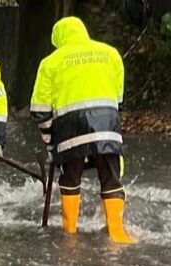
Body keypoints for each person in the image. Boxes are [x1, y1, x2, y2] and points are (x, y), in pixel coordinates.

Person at [29, 17, 134, 244]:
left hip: (70, 128)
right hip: (108, 124)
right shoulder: (111, 53)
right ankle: (117, 234)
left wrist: (51, 143)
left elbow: (39, 110)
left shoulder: (51, 62)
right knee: (111, 178)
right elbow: (118, 98)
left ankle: (69, 234)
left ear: (58, 39)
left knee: (70, 178)